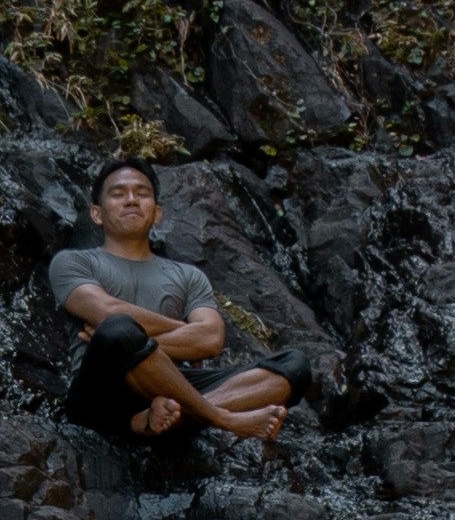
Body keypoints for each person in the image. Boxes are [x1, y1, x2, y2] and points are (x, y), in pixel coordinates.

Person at [46, 153, 293, 464]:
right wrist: (181, 333)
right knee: (117, 330)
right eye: (118, 193)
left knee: (292, 367)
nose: (132, 200)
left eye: (142, 193)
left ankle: (160, 420)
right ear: (97, 213)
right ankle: (222, 419)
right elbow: (108, 312)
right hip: (101, 392)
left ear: (158, 213)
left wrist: (142, 345)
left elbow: (212, 339)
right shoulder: (73, 262)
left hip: (169, 386)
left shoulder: (187, 276)